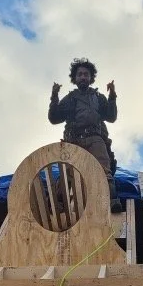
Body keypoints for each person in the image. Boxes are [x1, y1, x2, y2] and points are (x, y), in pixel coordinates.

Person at [48, 58, 121, 211]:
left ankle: (111, 202)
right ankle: (58, 206)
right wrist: (54, 97)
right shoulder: (70, 99)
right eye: (80, 74)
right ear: (75, 78)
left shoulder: (98, 97)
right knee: (66, 173)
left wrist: (112, 95)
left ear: (90, 78)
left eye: (86, 74)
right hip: (73, 141)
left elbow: (111, 116)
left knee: (103, 171)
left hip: (95, 139)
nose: (82, 77)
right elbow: (54, 118)